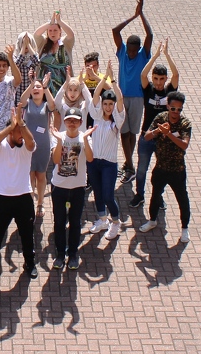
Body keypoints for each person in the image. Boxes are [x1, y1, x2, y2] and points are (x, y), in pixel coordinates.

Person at [0, 104, 37, 279]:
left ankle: (30, 263)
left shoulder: (27, 148)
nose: (23, 137)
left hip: (24, 198)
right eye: (19, 132)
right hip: (2, 199)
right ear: (10, 132)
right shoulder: (0, 147)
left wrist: (21, 125)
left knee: (27, 235)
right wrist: (11, 127)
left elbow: (32, 142)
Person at [129, 39, 179, 208]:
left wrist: (166, 54)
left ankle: (158, 197)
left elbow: (176, 75)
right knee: (142, 169)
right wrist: (155, 55)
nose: (158, 82)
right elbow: (142, 75)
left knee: (161, 170)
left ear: (165, 79)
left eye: (161, 79)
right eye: (156, 78)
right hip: (146, 136)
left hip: (163, 138)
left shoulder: (169, 91)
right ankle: (139, 195)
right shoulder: (148, 88)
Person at [139, 91, 191, 243]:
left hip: (177, 170)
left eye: (179, 109)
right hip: (161, 167)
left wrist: (169, 134)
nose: (175, 112)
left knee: (182, 199)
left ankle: (185, 229)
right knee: (155, 196)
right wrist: (157, 131)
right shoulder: (160, 118)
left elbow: (184, 145)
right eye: (173, 108)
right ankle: (152, 220)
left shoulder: (185, 124)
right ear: (168, 106)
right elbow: (147, 136)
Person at [112, 0, 153, 184]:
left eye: (134, 49)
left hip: (137, 98)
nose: (131, 52)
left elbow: (150, 36)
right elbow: (115, 30)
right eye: (130, 48)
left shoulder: (144, 55)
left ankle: (128, 166)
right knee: (123, 132)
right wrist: (133, 17)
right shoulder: (121, 53)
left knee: (131, 134)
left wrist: (142, 15)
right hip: (121, 97)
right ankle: (130, 165)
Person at [50, 107, 95, 270]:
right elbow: (56, 160)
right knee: (59, 222)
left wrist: (85, 141)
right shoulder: (57, 137)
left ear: (81, 122)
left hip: (77, 188)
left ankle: (73, 255)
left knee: (75, 223)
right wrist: (60, 141)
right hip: (59, 188)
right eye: (69, 120)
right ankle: (60, 254)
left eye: (75, 120)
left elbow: (90, 158)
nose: (72, 123)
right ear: (64, 121)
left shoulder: (85, 138)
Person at [87, 62, 126, 240]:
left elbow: (120, 100)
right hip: (94, 162)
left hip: (109, 164)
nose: (108, 107)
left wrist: (113, 79)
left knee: (109, 195)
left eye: (111, 104)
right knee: (97, 193)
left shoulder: (117, 121)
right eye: (106, 104)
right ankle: (102, 220)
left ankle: (116, 222)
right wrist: (103, 79)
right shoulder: (95, 116)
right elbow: (95, 94)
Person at [19, 71, 55, 218]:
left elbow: (53, 105)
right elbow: (21, 99)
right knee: (29, 175)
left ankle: (40, 203)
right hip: (28, 146)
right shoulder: (27, 104)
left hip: (43, 146)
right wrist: (31, 83)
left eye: (38, 87)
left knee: (41, 175)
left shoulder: (46, 105)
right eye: (34, 88)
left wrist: (45, 87)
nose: (36, 89)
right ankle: (30, 203)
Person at [34, 10, 75, 96]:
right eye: (50, 31)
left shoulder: (65, 42)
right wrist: (50, 22)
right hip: (44, 83)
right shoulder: (43, 42)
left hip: (63, 83)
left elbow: (71, 34)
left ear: (60, 31)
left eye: (55, 30)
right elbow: (36, 34)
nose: (52, 33)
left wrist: (59, 21)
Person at [53, 66, 92, 132]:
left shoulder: (83, 104)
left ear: (80, 91)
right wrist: (66, 83)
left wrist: (82, 83)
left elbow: (90, 101)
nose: (72, 93)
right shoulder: (62, 103)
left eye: (75, 90)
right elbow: (56, 101)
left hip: (80, 140)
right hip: (65, 139)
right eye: (70, 90)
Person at [13, 32, 40, 107]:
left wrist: (28, 45)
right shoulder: (15, 56)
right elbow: (16, 65)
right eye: (23, 42)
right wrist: (23, 48)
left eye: (28, 42)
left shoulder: (34, 55)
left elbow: (37, 62)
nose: (25, 45)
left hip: (30, 89)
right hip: (18, 90)